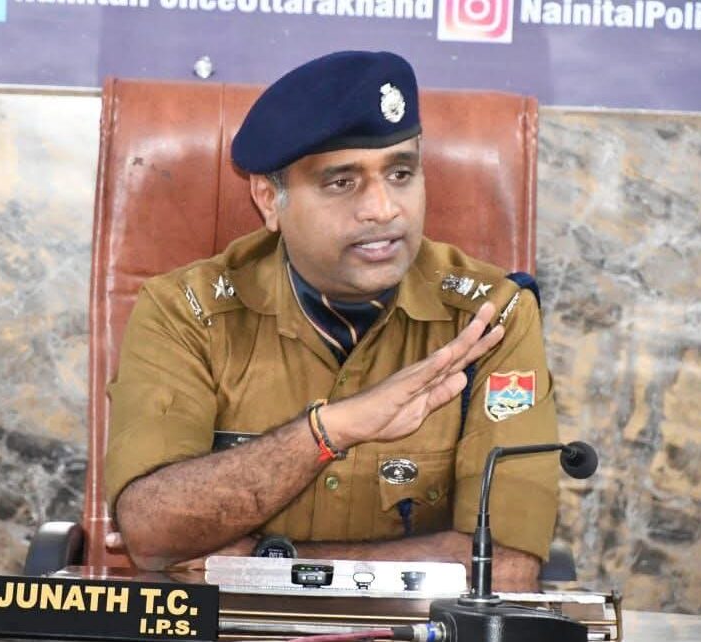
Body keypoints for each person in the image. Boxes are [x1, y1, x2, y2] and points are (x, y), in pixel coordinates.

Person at [104, 51, 559, 591]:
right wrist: (329, 431)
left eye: (401, 173)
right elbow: (150, 533)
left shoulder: (489, 318)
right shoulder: (187, 311)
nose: (384, 209)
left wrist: (272, 563)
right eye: (342, 182)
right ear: (269, 200)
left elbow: (505, 569)